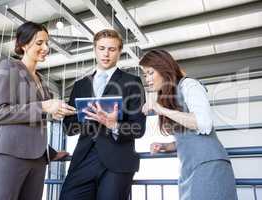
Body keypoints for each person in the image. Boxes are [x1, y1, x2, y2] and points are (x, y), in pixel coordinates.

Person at [0, 21, 76, 200]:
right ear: (23, 44)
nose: (46, 48)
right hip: (10, 154)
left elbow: (36, 120)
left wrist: (50, 151)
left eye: (47, 43)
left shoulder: (42, 81)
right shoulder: (8, 67)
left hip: (39, 159)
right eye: (39, 43)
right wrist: (44, 106)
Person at [60, 29, 146, 200]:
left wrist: (113, 124)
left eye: (112, 49)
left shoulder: (132, 83)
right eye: (101, 48)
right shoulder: (80, 85)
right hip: (83, 159)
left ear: (119, 51)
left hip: (117, 162)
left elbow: (139, 129)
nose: (106, 54)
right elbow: (69, 129)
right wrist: (75, 114)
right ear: (94, 49)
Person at [140, 50, 238, 200]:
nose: (147, 79)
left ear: (163, 69)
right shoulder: (171, 97)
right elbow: (189, 135)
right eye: (145, 75)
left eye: (150, 72)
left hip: (209, 165)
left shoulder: (189, 85)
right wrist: (167, 146)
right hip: (189, 169)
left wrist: (161, 110)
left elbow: (203, 123)